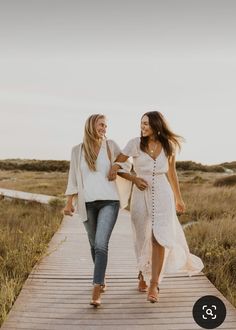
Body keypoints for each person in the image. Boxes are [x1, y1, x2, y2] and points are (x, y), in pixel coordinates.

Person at [109, 111, 204, 303]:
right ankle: (142, 273)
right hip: (140, 195)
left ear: (156, 125)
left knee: (158, 237)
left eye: (146, 124)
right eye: (141, 123)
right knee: (142, 237)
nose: (143, 127)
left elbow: (172, 173)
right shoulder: (135, 143)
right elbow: (116, 165)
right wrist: (134, 179)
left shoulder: (168, 145)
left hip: (162, 194)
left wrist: (179, 198)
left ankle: (154, 283)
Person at [64, 114, 131, 307]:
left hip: (109, 202)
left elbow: (126, 162)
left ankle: (96, 286)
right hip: (86, 204)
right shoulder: (77, 150)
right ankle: (101, 278)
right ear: (91, 125)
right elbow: (73, 179)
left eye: (106, 125)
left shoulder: (110, 146)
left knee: (101, 244)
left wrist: (115, 167)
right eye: (101, 124)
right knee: (93, 244)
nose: (104, 128)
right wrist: (69, 203)